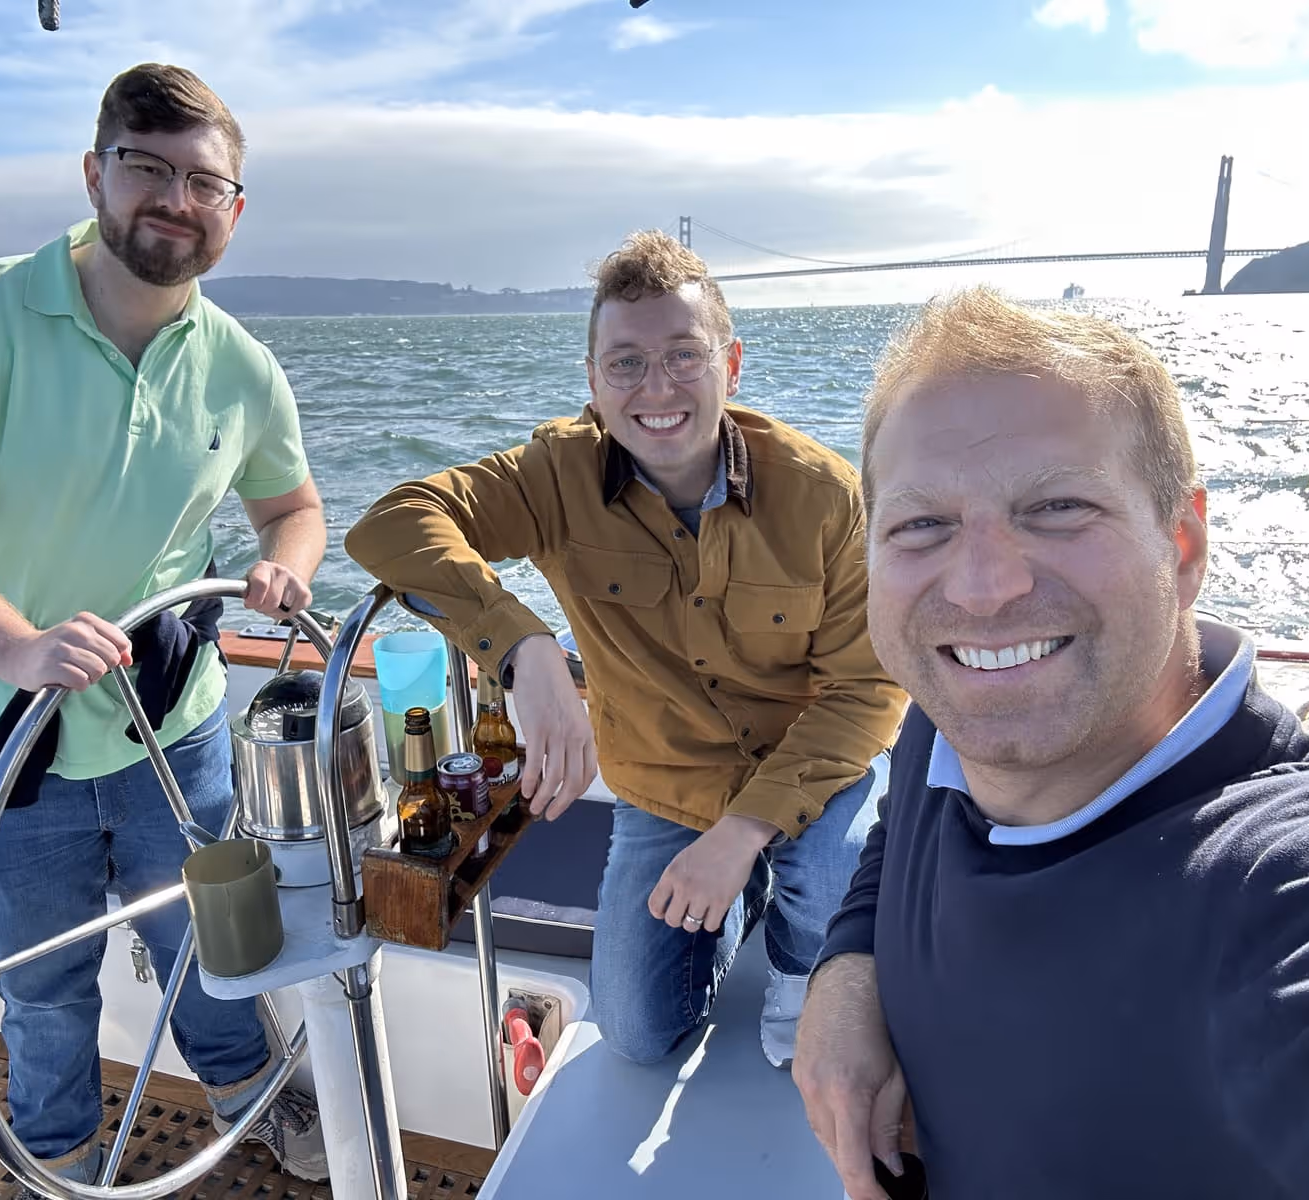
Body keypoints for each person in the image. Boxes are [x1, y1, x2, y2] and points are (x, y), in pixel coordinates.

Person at [793, 287, 1309, 1200]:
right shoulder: (942, 721)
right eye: (922, 525)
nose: (983, 588)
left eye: (1057, 506)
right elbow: (898, 834)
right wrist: (848, 974)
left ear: (1180, 545)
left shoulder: (1284, 888)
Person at [0, 64, 328, 1191]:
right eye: (146, 167)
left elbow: (295, 506)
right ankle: (64, 1162)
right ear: (94, 172)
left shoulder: (242, 367)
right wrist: (21, 648)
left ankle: (250, 1101)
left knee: (219, 950)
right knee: (38, 980)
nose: (174, 197)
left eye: (203, 181)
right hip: (1, 732)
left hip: (175, 724)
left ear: (233, 209)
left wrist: (284, 564)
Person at [345, 230, 905, 1068]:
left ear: (732, 365)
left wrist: (743, 830)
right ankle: (747, 896)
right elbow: (392, 521)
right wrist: (522, 647)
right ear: (594, 383)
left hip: (810, 767)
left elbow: (865, 691)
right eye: (627, 364)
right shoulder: (557, 476)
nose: (658, 389)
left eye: (685, 356)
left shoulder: (824, 494)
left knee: (829, 877)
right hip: (666, 784)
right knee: (639, 1038)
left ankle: (797, 954)